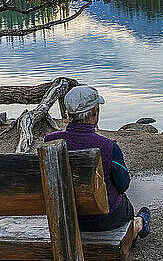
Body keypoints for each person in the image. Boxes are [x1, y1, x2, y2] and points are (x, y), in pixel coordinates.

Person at [44, 85, 150, 241]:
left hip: (66, 216)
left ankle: (137, 223)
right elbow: (123, 184)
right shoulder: (108, 146)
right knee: (124, 207)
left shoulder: (50, 141)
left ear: (68, 114)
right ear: (95, 112)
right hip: (104, 218)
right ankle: (139, 224)